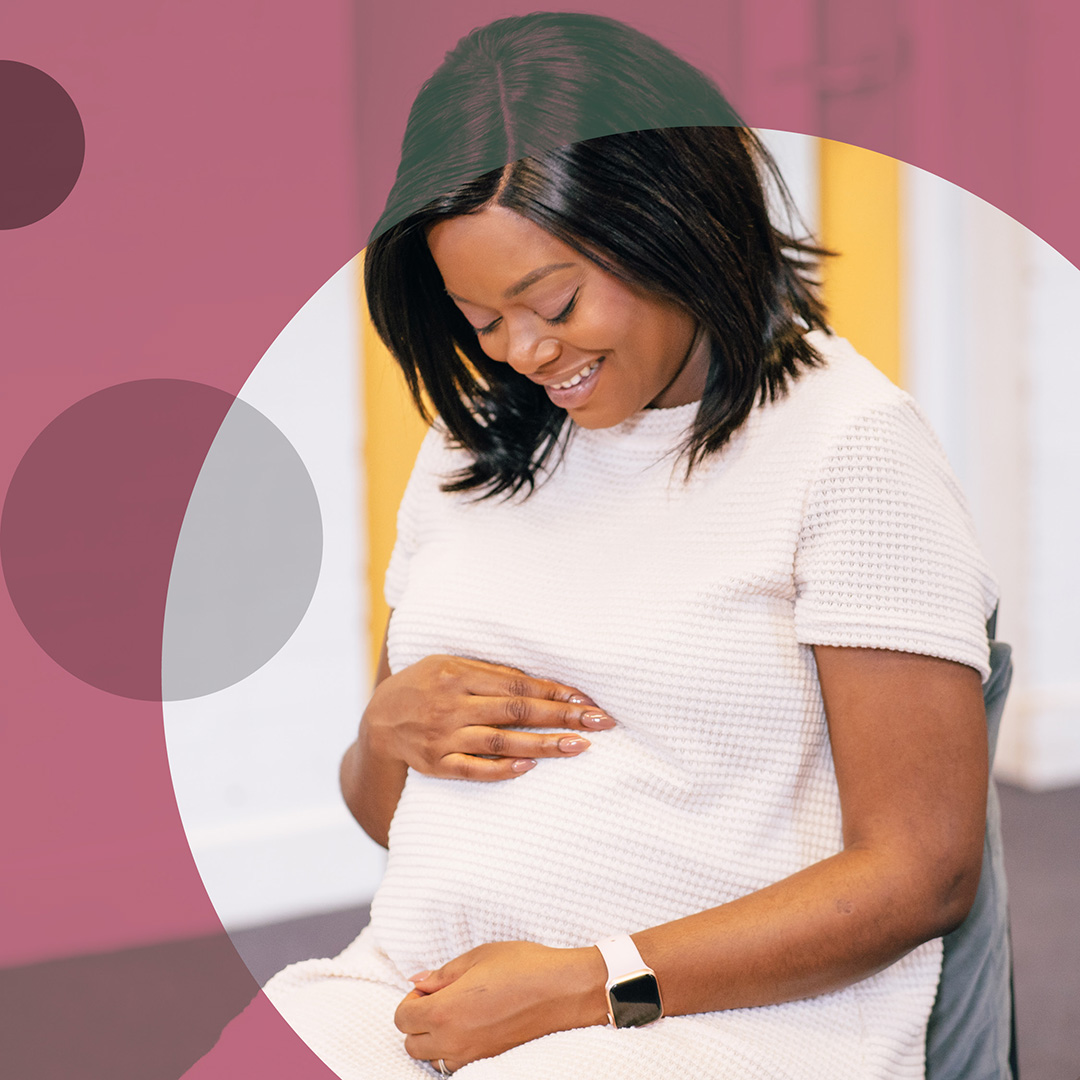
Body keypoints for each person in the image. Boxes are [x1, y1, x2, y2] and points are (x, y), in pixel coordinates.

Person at [263, 13, 999, 1078]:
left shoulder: (848, 448)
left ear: (675, 225)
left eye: (552, 302)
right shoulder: (472, 447)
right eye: (481, 323)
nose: (524, 354)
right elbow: (393, 819)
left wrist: (587, 982)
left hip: (708, 1024)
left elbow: (922, 873)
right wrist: (384, 735)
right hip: (427, 992)